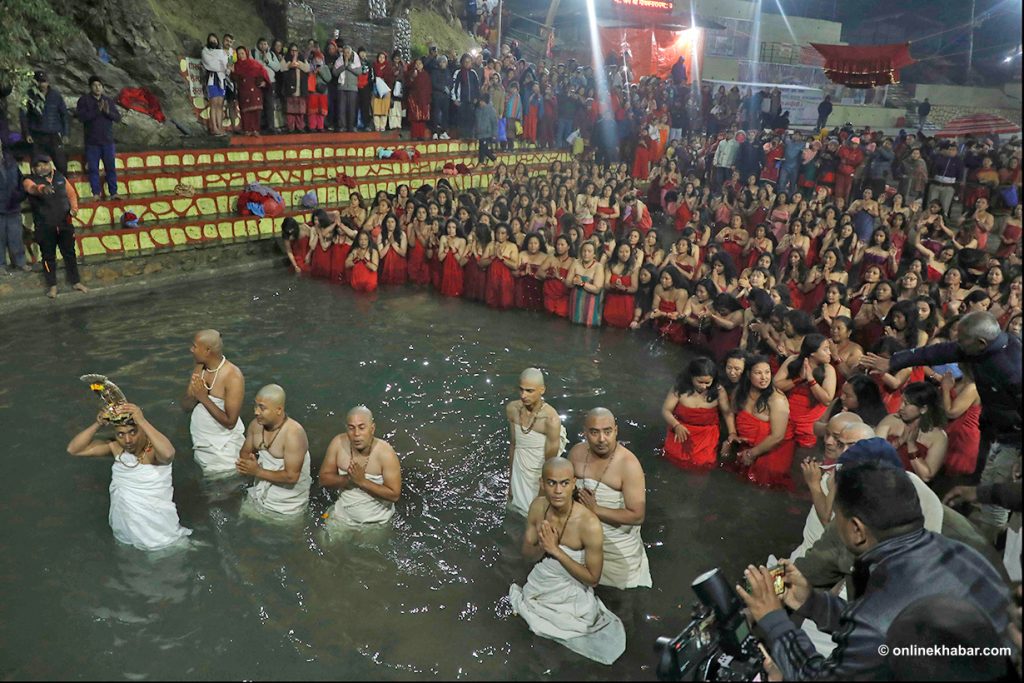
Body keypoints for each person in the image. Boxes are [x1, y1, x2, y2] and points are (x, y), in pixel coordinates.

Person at [738, 461, 1010, 681]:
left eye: (837, 517)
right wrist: (812, 603)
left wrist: (774, 620)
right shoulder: (962, 554)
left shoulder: (879, 610)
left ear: (856, 529)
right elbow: (886, 631)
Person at [861, 311, 1021, 543]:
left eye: (962, 340)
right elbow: (936, 351)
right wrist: (894, 361)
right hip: (992, 430)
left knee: (997, 497)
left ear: (981, 343)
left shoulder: (1013, 369)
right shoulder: (980, 346)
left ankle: (989, 549)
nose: (957, 344)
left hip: (1013, 439)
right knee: (985, 487)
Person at [508, 457, 626, 665]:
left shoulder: (588, 524)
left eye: (564, 483)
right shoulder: (538, 507)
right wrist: (542, 545)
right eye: (552, 483)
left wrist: (556, 550)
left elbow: (593, 579)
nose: (558, 490)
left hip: (572, 588)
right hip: (542, 581)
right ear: (542, 484)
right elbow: (527, 554)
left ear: (573, 484)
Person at [65, 402, 191, 551]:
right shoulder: (115, 448)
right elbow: (74, 449)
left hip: (158, 532)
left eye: (133, 432)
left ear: (142, 430)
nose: (128, 440)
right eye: (121, 434)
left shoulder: (154, 453)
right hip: (124, 530)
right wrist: (97, 424)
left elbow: (169, 454)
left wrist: (142, 420)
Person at [567, 408, 652, 590]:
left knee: (617, 602)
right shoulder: (576, 453)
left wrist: (596, 510)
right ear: (585, 432)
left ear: (616, 431)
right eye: (594, 432)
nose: (601, 439)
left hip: (616, 546)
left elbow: (637, 516)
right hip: (581, 537)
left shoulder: (628, 464)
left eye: (607, 431)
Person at [319, 405, 402, 528]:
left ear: (372, 429)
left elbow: (394, 495)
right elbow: (323, 480)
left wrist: (362, 482)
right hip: (341, 514)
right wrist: (348, 479)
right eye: (351, 428)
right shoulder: (338, 443)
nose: (356, 434)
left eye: (361, 428)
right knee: (322, 542)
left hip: (375, 522)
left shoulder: (386, 453)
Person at [236, 384, 312, 517]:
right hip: (259, 495)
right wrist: (247, 463)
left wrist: (257, 471)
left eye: (262, 408)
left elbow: (292, 476)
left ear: (279, 410)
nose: (256, 412)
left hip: (288, 505)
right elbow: (245, 454)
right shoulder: (256, 426)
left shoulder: (294, 434)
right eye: (255, 406)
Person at [724, 355, 795, 488]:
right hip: (746, 445)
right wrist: (731, 435)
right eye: (758, 373)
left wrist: (752, 454)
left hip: (772, 450)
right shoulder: (740, 391)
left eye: (767, 372)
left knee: (764, 485)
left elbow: (777, 436)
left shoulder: (777, 400)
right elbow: (730, 412)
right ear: (748, 374)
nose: (764, 377)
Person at [506, 368, 569, 518]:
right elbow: (514, 445)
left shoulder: (551, 420)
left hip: (537, 476)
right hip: (519, 471)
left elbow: (549, 464)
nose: (523, 395)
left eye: (529, 391)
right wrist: (510, 483)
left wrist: (541, 499)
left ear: (542, 390)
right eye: (521, 390)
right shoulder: (512, 409)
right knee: (513, 511)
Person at [22, 154, 86, 299]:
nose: (42, 167)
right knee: (48, 256)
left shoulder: (60, 177)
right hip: (45, 226)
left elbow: (71, 194)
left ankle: (75, 281)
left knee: (70, 253)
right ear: (33, 168)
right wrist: (42, 189)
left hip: (64, 223)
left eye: (44, 164)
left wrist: (74, 209)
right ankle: (52, 286)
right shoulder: (29, 180)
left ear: (50, 164)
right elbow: (32, 189)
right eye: (38, 165)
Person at [182, 329, 245, 475]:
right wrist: (194, 396)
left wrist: (203, 397)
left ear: (207, 350)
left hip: (224, 456)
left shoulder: (233, 376)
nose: (191, 349)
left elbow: (230, 422)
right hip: (202, 447)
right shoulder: (200, 368)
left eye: (195, 346)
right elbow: (186, 406)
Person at [661, 357, 734, 470]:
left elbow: (727, 413)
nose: (704, 386)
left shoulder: (719, 391)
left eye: (707, 382)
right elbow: (666, 410)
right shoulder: (679, 388)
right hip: (681, 431)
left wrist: (732, 434)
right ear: (691, 377)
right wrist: (676, 425)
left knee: (702, 465)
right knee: (670, 461)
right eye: (700, 382)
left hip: (706, 435)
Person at [76, 76, 122, 201]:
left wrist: (107, 112)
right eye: (95, 85)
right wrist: (97, 110)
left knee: (111, 168)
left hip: (107, 141)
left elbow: (117, 118)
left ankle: (114, 192)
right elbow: (81, 118)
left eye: (100, 85)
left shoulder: (108, 100)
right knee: (93, 169)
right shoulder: (84, 100)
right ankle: (96, 193)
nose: (97, 88)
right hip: (92, 142)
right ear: (90, 87)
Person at [20, 71, 69, 175]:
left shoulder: (56, 95)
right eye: (38, 81)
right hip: (36, 136)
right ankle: (39, 189)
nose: (41, 84)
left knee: (62, 165)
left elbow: (64, 114)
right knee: (37, 166)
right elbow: (23, 116)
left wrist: (65, 133)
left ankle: (63, 188)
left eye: (43, 81)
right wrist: (27, 133)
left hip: (54, 135)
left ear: (48, 82)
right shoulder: (29, 95)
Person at [0, 140, 29, 272]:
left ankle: (20, 262)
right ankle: (1, 265)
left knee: (16, 237)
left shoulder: (11, 164)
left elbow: (21, 182)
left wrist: (19, 196)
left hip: (13, 208)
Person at [232, 47, 270, 136]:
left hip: (255, 90)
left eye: (242, 53)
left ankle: (256, 130)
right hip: (244, 91)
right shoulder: (236, 66)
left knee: (256, 111)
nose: (241, 56)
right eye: (239, 54)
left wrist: (264, 82)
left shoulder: (254, 64)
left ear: (246, 53)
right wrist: (232, 72)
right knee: (245, 111)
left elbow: (263, 73)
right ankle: (247, 130)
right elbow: (234, 78)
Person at [201, 35, 229, 136]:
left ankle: (220, 126)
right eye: (211, 39)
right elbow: (210, 64)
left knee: (220, 105)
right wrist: (219, 65)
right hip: (212, 79)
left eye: (215, 39)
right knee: (214, 104)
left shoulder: (222, 52)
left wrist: (222, 65)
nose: (213, 41)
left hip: (221, 78)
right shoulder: (205, 51)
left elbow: (226, 65)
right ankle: (214, 127)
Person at [474, 92, 498, 164]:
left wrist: (494, 134)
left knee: (482, 149)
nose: (480, 102)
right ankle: (495, 161)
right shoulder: (477, 110)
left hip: (487, 133)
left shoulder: (491, 110)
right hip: (479, 133)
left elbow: (494, 123)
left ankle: (480, 164)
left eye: (482, 101)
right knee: (484, 149)